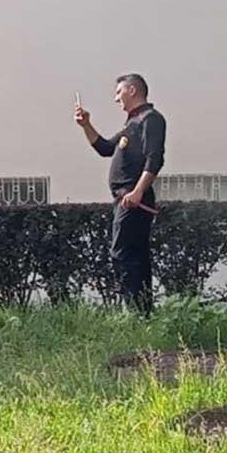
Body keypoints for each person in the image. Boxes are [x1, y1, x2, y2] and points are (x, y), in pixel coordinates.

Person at [74, 73, 167, 314]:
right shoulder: (132, 124)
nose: (116, 99)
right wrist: (86, 125)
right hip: (124, 201)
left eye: (119, 92)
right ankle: (143, 313)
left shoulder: (151, 120)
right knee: (135, 256)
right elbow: (105, 148)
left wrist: (137, 192)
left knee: (122, 254)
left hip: (133, 201)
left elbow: (155, 159)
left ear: (133, 91)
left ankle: (135, 312)